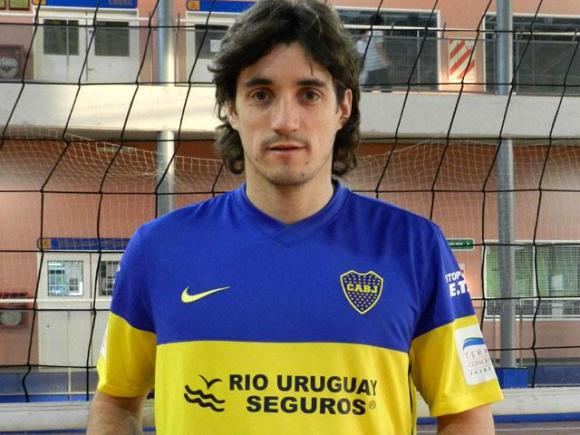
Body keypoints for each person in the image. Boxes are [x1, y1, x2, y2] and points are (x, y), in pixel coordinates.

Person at [87, 1, 503, 434]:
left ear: (343, 106)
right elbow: (116, 402)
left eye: (309, 94)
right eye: (261, 95)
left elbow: (466, 416)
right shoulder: (159, 249)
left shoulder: (414, 247)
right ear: (231, 108)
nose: (285, 121)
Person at [357, 13, 392, 92]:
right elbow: (378, 46)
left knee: (367, 89)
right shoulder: (378, 32)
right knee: (386, 89)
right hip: (379, 65)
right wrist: (386, 61)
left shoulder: (369, 33)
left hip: (370, 65)